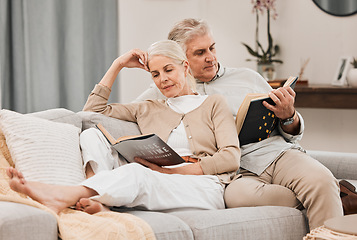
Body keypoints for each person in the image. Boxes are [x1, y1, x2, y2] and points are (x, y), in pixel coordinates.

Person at [134, 18, 347, 230]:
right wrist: (131, 64)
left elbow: (293, 134)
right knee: (237, 198)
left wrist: (288, 115)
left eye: (212, 48)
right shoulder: (162, 91)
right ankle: (338, 196)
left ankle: (327, 192)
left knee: (320, 182)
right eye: (200, 53)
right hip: (235, 175)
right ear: (182, 60)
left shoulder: (247, 78)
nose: (211, 57)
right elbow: (108, 115)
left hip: (275, 154)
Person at [6, 39, 240, 215]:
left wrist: (171, 172)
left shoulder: (213, 103)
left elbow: (231, 157)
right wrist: (117, 65)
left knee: (137, 173)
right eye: (155, 74)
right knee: (91, 136)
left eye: (168, 70)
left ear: (185, 67)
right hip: (159, 176)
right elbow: (92, 112)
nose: (163, 79)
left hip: (205, 187)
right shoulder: (148, 107)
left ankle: (65, 194)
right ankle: (101, 203)